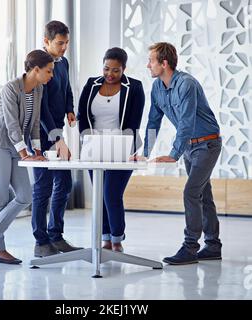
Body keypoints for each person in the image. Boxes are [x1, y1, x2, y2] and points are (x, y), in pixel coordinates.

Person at [142, 42, 222, 265]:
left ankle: (190, 248)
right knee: (203, 194)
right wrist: (144, 152)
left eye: (151, 61)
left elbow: (186, 123)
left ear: (164, 63)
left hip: (207, 145)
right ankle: (213, 246)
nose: (148, 65)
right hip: (189, 146)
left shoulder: (186, 84)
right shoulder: (157, 87)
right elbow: (153, 122)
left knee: (190, 192)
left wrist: (173, 154)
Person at [0, 50, 54, 265]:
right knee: (1, 197)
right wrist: (24, 153)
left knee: (24, 196)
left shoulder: (38, 90)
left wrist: (37, 151)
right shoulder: (11, 88)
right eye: (48, 71)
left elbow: (35, 123)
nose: (51, 76)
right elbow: (11, 123)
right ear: (35, 70)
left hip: (15, 146)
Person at [77, 47, 145, 252]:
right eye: (106, 69)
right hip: (93, 147)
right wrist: (85, 140)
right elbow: (82, 114)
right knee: (99, 193)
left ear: (124, 69)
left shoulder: (134, 87)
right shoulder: (91, 84)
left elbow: (134, 121)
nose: (110, 74)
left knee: (111, 193)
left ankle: (117, 239)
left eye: (116, 70)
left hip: (122, 147)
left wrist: (130, 149)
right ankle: (105, 239)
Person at [31, 20, 82, 257]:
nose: (64, 48)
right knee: (43, 188)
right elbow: (40, 109)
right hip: (41, 135)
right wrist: (57, 138)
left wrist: (70, 108)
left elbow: (67, 89)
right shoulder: (40, 66)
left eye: (66, 43)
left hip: (57, 131)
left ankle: (56, 236)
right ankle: (41, 242)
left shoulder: (63, 63)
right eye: (59, 43)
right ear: (46, 42)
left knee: (64, 183)